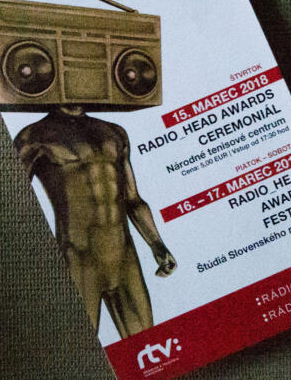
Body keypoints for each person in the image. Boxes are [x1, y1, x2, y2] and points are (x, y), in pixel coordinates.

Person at [15, 106, 176, 339]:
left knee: (149, 345)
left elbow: (133, 199)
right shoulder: (33, 136)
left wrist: (157, 244)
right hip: (79, 262)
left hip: (125, 261)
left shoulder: (114, 133)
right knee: (79, 349)